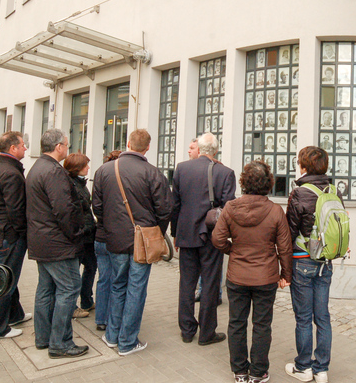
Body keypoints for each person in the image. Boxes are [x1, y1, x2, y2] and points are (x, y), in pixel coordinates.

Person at [212, 161, 293, 383]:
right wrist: (286, 275)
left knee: (236, 322)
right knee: (262, 324)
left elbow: (217, 239)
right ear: (268, 184)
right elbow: (285, 247)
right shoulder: (276, 211)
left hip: (237, 275)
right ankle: (258, 372)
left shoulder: (230, 207)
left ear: (244, 182)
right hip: (265, 277)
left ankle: (239, 371)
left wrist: (234, 250)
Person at [93, 129, 172, 355]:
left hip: (115, 239)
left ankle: (111, 335)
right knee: (136, 289)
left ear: (128, 143)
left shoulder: (104, 170)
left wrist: (110, 226)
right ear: (147, 148)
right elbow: (165, 209)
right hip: (143, 241)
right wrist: (155, 231)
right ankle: (127, 341)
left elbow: (96, 206)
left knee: (117, 285)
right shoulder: (153, 173)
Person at [27, 129, 88, 358]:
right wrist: (76, 233)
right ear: (58, 147)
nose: (67, 148)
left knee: (46, 289)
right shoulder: (53, 172)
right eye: (66, 144)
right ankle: (60, 342)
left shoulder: (37, 167)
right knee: (69, 288)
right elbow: (64, 210)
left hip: (43, 240)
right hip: (57, 243)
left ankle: (43, 337)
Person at [171, 132, 236, 346]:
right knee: (209, 283)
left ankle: (187, 330)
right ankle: (207, 332)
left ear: (199, 148)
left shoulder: (182, 169)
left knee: (186, 283)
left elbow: (175, 204)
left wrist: (174, 234)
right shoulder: (225, 173)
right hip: (211, 235)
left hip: (186, 234)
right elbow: (228, 208)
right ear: (216, 151)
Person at [285, 147, 342, 383]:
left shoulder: (299, 193)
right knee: (323, 317)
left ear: (304, 166)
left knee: (303, 317)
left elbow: (289, 232)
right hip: (325, 262)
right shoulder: (334, 191)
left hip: (302, 261)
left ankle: (303, 367)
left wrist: (284, 268)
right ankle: (322, 370)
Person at [0, 131, 31, 339]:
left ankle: (15, 314)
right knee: (6, 281)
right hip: (8, 234)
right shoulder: (11, 174)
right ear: (13, 148)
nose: (26, 148)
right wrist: (21, 233)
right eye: (22, 145)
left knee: (7, 277)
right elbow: (15, 210)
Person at [64, 153, 96, 319]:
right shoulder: (71, 185)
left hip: (88, 234)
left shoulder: (80, 183)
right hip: (80, 235)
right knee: (73, 272)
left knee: (91, 266)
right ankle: (72, 306)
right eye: (85, 165)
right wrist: (82, 230)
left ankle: (86, 300)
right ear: (77, 168)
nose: (88, 168)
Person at [93, 150, 122, 332]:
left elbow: (95, 204)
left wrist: (103, 222)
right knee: (117, 279)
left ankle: (100, 318)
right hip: (117, 237)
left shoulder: (100, 173)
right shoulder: (122, 177)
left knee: (103, 278)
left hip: (101, 235)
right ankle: (113, 316)